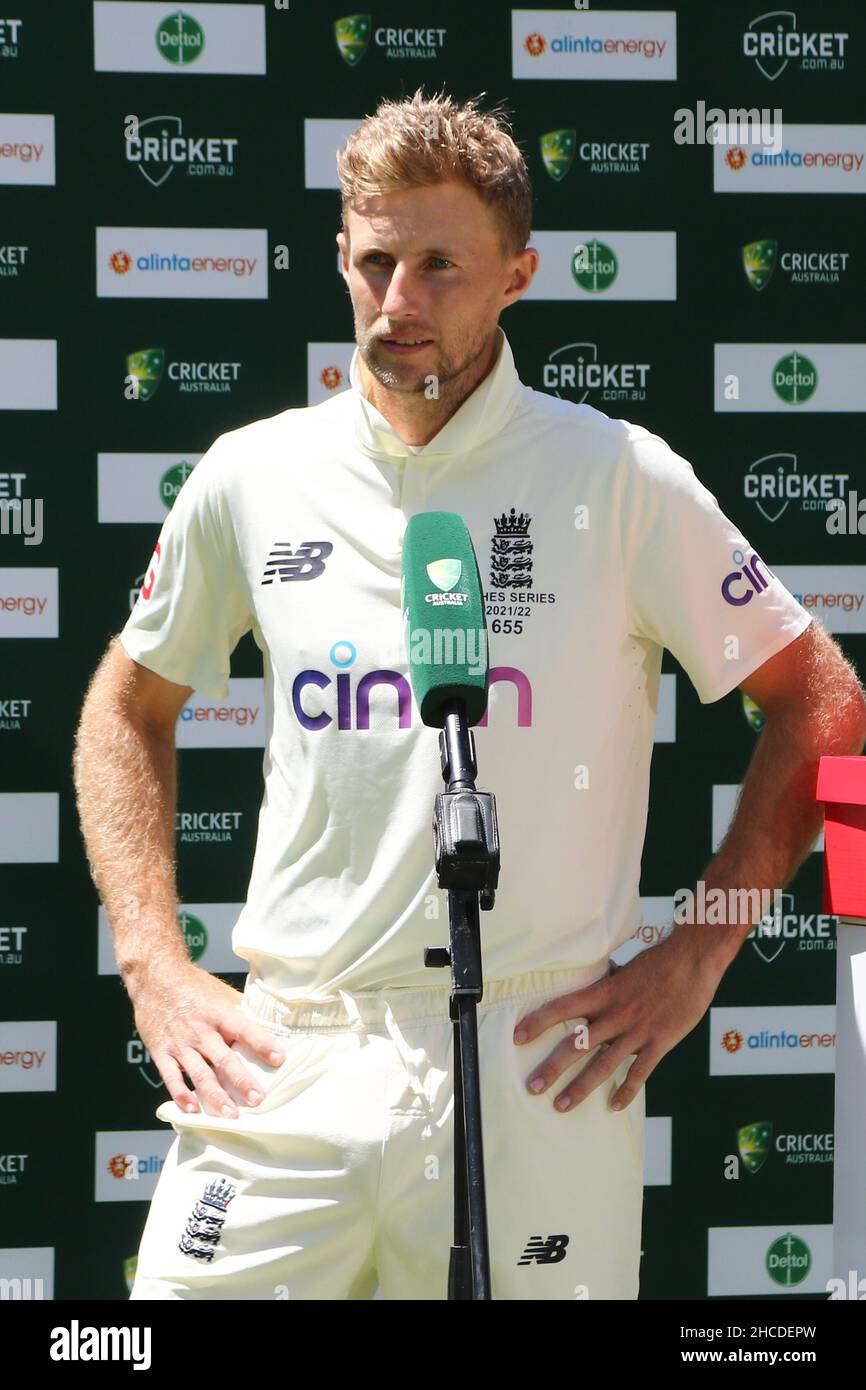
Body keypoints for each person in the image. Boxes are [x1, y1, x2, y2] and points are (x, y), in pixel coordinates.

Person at [73, 87, 866, 1301]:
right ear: (339, 255)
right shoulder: (251, 473)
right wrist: (151, 960)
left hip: (538, 1055)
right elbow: (124, 707)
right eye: (377, 260)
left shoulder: (616, 473)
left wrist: (700, 946)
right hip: (290, 1051)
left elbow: (820, 701)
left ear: (516, 275)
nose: (399, 303)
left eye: (440, 265)